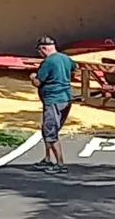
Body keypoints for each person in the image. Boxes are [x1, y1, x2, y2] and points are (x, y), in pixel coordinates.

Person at [29, 36, 77, 174]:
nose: (40, 54)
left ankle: (60, 164)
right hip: (66, 98)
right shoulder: (65, 58)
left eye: (39, 51)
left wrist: (32, 77)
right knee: (49, 129)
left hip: (53, 100)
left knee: (50, 131)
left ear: (44, 48)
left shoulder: (48, 62)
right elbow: (75, 68)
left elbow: (38, 82)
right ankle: (47, 158)